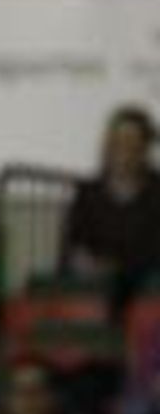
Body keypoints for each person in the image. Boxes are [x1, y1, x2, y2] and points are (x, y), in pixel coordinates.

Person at [61, 106, 160, 304]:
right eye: (117, 142)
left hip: (145, 288)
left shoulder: (156, 191)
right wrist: (88, 263)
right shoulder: (88, 192)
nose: (124, 150)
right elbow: (72, 246)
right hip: (95, 288)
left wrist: (119, 267)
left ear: (144, 148)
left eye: (133, 143)